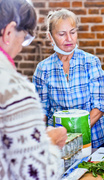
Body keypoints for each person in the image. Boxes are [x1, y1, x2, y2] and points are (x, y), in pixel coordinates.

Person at [0, 0, 67, 179]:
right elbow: (37, 173)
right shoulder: (14, 90)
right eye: (24, 38)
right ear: (8, 32)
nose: (21, 47)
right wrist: (49, 143)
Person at [32, 9, 104, 148]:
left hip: (93, 140)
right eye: (62, 34)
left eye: (72, 32)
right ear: (50, 37)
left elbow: (100, 105)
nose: (69, 38)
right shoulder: (43, 69)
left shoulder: (90, 62)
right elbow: (42, 110)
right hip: (59, 143)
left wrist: (76, 134)